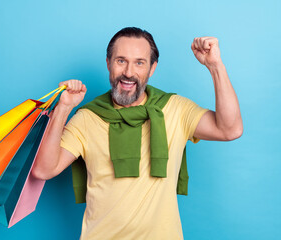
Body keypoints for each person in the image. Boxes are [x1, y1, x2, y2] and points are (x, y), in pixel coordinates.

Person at [32, 27, 243, 239]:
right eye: (121, 61)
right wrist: (63, 108)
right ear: (108, 63)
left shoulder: (175, 109)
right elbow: (43, 170)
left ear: (152, 68)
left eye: (139, 62)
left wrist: (215, 67)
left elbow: (230, 129)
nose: (129, 72)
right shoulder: (88, 118)